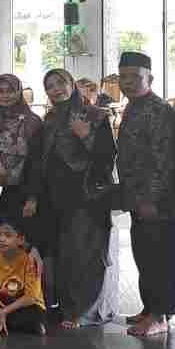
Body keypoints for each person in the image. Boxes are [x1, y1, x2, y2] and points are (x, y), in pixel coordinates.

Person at [40, 68, 118, 329]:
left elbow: (107, 157)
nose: (56, 89)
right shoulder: (50, 118)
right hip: (56, 196)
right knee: (64, 255)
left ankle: (85, 311)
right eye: (50, 86)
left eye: (60, 83)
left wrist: (86, 136)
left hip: (86, 196)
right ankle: (67, 307)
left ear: (71, 84)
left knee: (86, 254)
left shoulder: (94, 114)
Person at [115, 52, 175, 338]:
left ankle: (161, 315)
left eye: (135, 76)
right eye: (124, 77)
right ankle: (149, 307)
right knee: (144, 254)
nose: (128, 82)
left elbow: (163, 161)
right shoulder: (133, 106)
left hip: (157, 200)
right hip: (137, 197)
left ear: (150, 78)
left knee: (160, 257)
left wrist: (150, 199)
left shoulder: (159, 110)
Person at [0, 74, 42, 227]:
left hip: (21, 189)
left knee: (16, 232)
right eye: (0, 91)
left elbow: (37, 162)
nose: (5, 95)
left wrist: (32, 197)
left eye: (10, 91)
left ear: (19, 92)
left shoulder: (32, 121)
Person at [0, 217, 47, 336]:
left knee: (33, 316)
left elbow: (31, 297)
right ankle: (1, 320)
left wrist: (4, 312)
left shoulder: (29, 260)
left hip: (26, 304)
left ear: (20, 240)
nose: (2, 239)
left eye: (8, 235)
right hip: (4, 299)